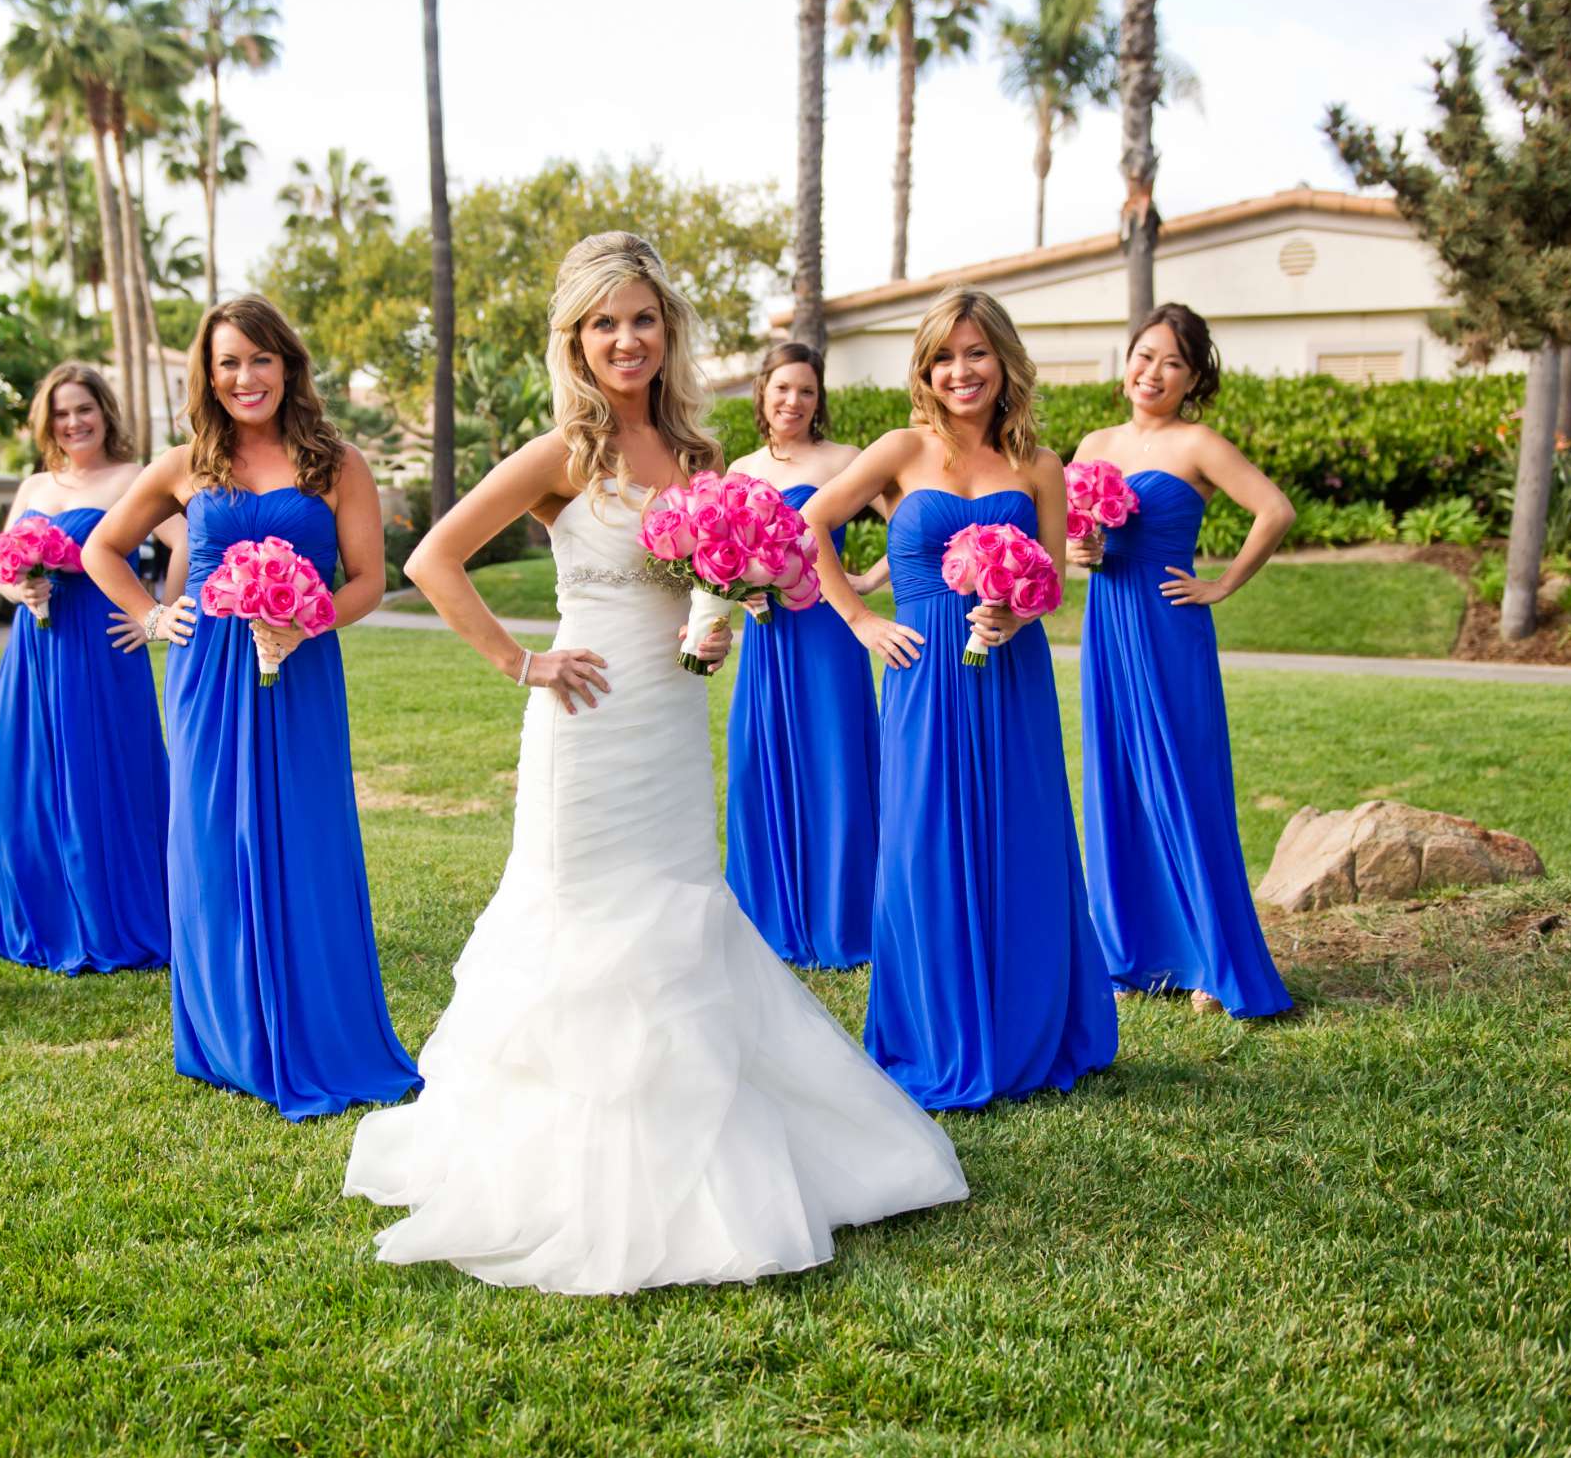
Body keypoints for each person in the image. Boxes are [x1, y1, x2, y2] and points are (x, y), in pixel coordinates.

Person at [344, 233, 967, 1296]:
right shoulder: (560, 454)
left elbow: (703, 598)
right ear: (575, 342)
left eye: (640, 319)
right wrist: (521, 660)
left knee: (680, 919)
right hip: (585, 727)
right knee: (579, 924)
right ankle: (560, 1159)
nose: (624, 339)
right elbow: (429, 558)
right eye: (602, 324)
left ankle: (710, 1142)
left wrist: (716, 628)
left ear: (666, 330)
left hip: (674, 723)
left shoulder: (697, 458)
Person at [81, 297, 418, 1119]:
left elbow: (370, 579)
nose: (245, 377)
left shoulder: (337, 462)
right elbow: (102, 548)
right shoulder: (184, 464)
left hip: (301, 668)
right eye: (228, 362)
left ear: (288, 366)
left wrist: (306, 621)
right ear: (209, 373)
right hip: (205, 674)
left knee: (306, 833)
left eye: (260, 359)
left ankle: (315, 1022)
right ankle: (226, 1034)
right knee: (210, 838)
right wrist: (157, 617)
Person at [800, 288, 1117, 1109]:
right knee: (922, 845)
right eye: (943, 356)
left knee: (1023, 840)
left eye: (975, 352)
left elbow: (1050, 582)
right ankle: (936, 1030)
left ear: (1004, 360)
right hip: (923, 674)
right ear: (926, 369)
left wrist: (1017, 611)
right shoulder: (901, 449)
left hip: (1012, 678)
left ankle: (1026, 1029)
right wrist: (862, 619)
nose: (960, 370)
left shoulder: (1039, 467)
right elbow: (808, 527)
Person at [1070, 303, 1297, 1018]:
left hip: (1170, 628)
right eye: (1144, 355)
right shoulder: (1094, 440)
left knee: (1184, 781)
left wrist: (1222, 583)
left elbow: (1276, 510)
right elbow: (1070, 540)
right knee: (1117, 778)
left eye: (1172, 362)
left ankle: (1211, 955)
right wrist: (1080, 553)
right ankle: (1130, 951)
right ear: (1126, 360)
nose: (1153, 372)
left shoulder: (1198, 443)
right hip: (1108, 625)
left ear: (1192, 376)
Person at [0, 363, 181, 975]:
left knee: (106, 778)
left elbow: (189, 540)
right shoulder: (34, 485)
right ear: (48, 422)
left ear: (104, 413)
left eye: (84, 409)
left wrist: (153, 616)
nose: (74, 422)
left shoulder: (132, 477)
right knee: (25, 780)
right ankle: (46, 914)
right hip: (34, 651)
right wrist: (20, 594)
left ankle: (111, 914)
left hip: (101, 645)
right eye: (62, 413)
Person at [721, 342, 889, 969]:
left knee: (836, 762)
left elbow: (916, 524)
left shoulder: (846, 460)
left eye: (807, 391)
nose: (794, 401)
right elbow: (720, 559)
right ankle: (767, 914)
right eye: (783, 388)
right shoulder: (739, 470)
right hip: (767, 636)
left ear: (820, 400)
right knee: (758, 762)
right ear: (763, 392)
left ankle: (843, 915)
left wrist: (869, 579)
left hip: (828, 634)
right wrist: (737, 592)